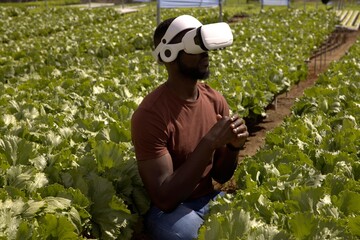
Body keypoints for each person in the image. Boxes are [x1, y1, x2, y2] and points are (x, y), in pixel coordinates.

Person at [131, 15, 249, 240]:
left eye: (204, 46)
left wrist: (233, 147)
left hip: (209, 198)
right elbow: (164, 198)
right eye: (196, 47)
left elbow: (221, 175)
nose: (205, 53)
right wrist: (209, 143)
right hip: (169, 212)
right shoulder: (150, 115)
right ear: (169, 55)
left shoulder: (214, 99)